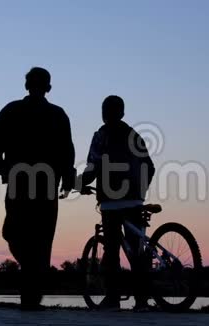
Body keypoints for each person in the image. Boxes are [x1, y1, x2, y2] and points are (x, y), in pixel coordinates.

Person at [0, 67, 76, 310]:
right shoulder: (20, 111)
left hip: (36, 182)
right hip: (28, 180)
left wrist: (1, 167)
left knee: (30, 236)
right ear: (48, 87)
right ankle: (34, 276)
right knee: (30, 236)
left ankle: (31, 293)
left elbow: (66, 149)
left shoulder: (52, 114)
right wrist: (2, 168)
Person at [76, 95, 155, 311]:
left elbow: (92, 166)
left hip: (110, 202)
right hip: (134, 200)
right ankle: (141, 301)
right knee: (137, 251)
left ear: (104, 113)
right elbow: (149, 165)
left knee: (111, 251)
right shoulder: (134, 135)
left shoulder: (101, 136)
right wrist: (140, 191)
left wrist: (79, 184)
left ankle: (112, 299)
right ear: (122, 113)